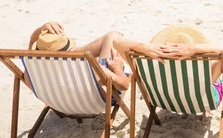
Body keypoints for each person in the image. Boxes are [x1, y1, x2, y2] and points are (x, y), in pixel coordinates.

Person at [115, 24, 223, 107]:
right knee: (219, 78)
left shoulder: (149, 67)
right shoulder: (203, 75)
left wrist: (143, 47)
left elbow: (116, 42)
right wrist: (196, 48)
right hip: (202, 103)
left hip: (163, 101)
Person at [28, 21, 174, 91]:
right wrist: (117, 69)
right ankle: (129, 44)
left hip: (59, 101)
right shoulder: (83, 65)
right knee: (113, 38)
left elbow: (32, 40)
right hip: (89, 100)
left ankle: (116, 40)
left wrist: (42, 29)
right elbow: (123, 85)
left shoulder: (34, 66)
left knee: (109, 37)